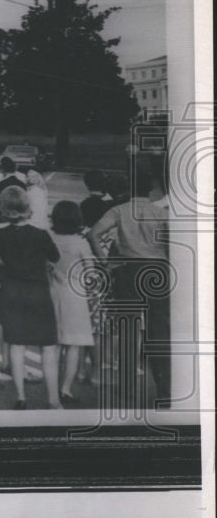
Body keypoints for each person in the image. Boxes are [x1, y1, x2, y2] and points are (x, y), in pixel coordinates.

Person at [89, 164, 170, 407]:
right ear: (151, 189)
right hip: (158, 270)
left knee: (127, 329)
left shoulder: (119, 210)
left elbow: (93, 234)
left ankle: (126, 389)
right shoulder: (161, 213)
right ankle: (165, 390)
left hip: (127, 271)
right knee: (159, 331)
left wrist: (106, 263)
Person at [0, 186, 62, 410]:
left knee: (16, 344)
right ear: (27, 207)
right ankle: (53, 399)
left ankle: (21, 396)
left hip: (12, 290)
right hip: (38, 292)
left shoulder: (1, 233)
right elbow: (55, 256)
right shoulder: (40, 234)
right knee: (48, 347)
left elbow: (0, 258)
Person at [47, 201, 95, 404]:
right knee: (74, 346)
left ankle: (53, 388)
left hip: (52, 293)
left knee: (54, 345)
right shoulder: (80, 243)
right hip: (75, 296)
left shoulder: (49, 238)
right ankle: (66, 389)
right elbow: (91, 273)